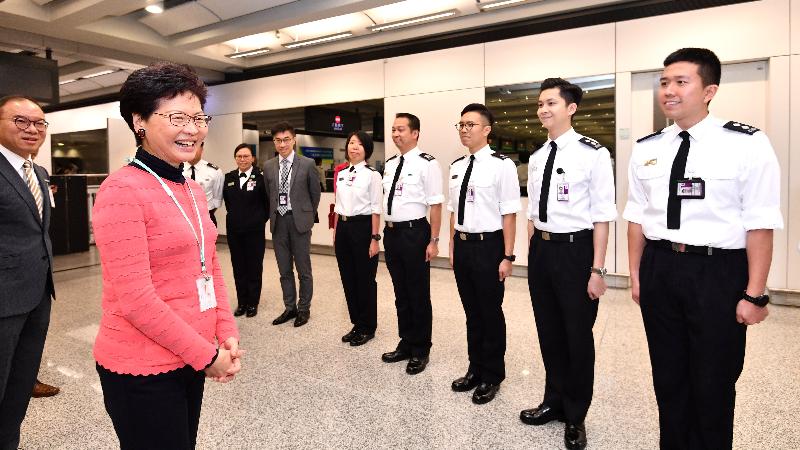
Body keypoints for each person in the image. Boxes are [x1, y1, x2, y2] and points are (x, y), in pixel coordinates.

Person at [623, 48, 783, 449]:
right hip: (660, 265)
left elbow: (760, 223)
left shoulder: (745, 143)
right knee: (669, 376)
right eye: (664, 82)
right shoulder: (647, 147)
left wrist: (755, 292)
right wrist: (638, 276)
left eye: (681, 82)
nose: (668, 91)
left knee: (713, 380)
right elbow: (637, 217)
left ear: (709, 90)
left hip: (717, 272)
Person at [92, 62, 242, 450]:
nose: (192, 129)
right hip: (143, 367)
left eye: (198, 117)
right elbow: (137, 300)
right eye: (177, 117)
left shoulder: (190, 187)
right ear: (139, 120)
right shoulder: (121, 190)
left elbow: (211, 268)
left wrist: (225, 333)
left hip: (190, 353)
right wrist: (208, 356)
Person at [521, 78, 617, 450]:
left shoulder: (593, 153)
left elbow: (602, 215)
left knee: (577, 335)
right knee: (549, 331)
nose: (543, 109)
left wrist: (597, 270)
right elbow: (533, 209)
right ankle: (553, 401)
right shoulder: (538, 154)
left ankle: (575, 415)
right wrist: (532, 247)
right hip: (543, 251)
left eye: (551, 103)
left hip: (576, 253)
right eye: (540, 104)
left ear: (571, 108)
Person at [447, 103, 520, 404]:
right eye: (461, 124)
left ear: (487, 130)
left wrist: (508, 256)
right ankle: (475, 369)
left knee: (490, 313)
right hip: (463, 246)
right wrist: (452, 249)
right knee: (472, 313)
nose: (464, 129)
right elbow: (453, 211)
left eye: (470, 124)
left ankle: (492, 374)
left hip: (489, 247)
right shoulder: (456, 166)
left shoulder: (502, 165)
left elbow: (510, 213)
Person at [0, 95, 55, 449]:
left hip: (37, 295)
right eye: (21, 121)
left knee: (20, 386)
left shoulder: (38, 172)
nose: (32, 129)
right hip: (3, 298)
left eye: (39, 123)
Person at [380, 113, 443, 375]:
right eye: (393, 129)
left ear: (415, 133)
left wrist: (434, 240)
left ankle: (421, 349)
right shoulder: (391, 163)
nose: (396, 134)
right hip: (392, 234)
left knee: (417, 294)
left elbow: (436, 204)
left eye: (401, 129)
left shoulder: (427, 164)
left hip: (415, 233)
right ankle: (406, 342)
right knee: (400, 292)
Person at [264, 122, 321, 328]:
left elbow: (315, 194)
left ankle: (304, 308)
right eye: (278, 140)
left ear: (294, 139)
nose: (282, 144)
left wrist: (305, 214)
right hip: (278, 222)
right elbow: (268, 195)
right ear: (274, 142)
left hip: (300, 223)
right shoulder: (269, 166)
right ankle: (290, 307)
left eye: (286, 139)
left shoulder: (307, 164)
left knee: (303, 270)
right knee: (284, 270)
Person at [333, 131, 382, 346]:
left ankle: (368, 326)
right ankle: (357, 323)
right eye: (351, 143)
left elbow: (375, 209)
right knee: (348, 278)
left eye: (360, 144)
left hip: (363, 229)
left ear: (367, 149)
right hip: (343, 228)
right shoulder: (342, 173)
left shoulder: (372, 175)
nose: (354, 147)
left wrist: (374, 238)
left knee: (365, 280)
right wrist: (336, 231)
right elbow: (338, 205)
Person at [223, 144, 268, 318]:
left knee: (254, 267)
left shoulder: (261, 177)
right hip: (234, 231)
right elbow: (229, 203)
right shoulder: (229, 177)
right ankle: (242, 302)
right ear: (235, 158)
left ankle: (252, 303)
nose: (242, 159)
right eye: (239, 156)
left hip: (254, 231)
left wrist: (256, 220)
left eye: (246, 156)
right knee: (238, 267)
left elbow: (266, 204)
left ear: (252, 158)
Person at [182, 142, 224, 226]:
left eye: (195, 147)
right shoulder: (176, 169)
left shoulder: (214, 171)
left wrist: (205, 211)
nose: (191, 151)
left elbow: (217, 200)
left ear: (202, 149)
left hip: (206, 218)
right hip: (183, 218)